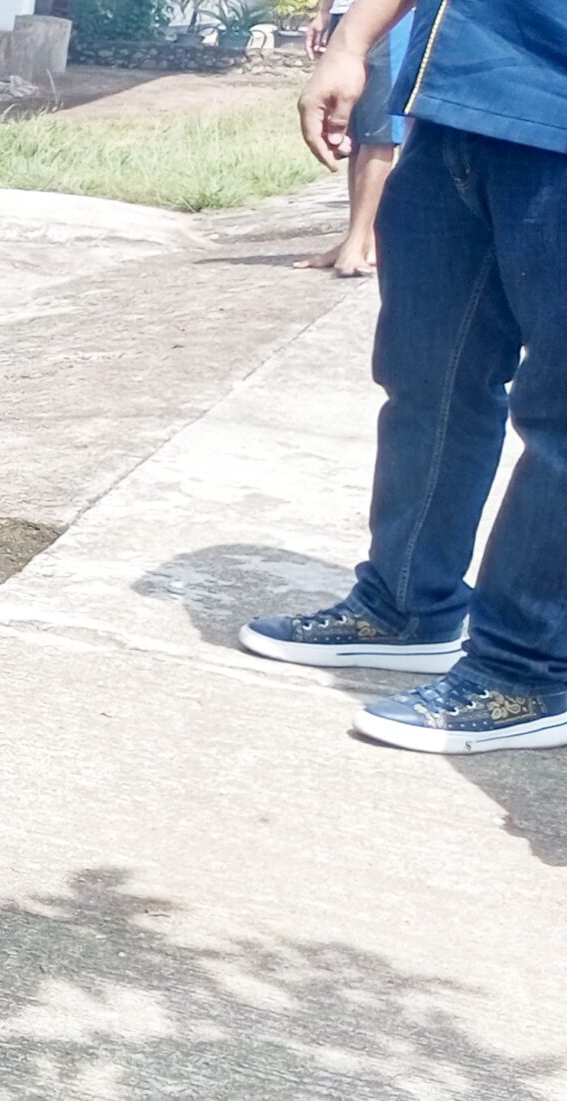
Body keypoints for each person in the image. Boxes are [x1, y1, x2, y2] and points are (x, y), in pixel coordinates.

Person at [240, 0, 567, 753]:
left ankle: (526, 671)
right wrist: (351, 40)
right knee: (428, 379)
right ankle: (407, 604)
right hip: (451, 112)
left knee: (559, 422)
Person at [294, 0, 416, 277]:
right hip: (346, 16)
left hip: (388, 16)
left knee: (379, 134)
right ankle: (359, 238)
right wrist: (323, 13)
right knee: (356, 135)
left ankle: (361, 241)